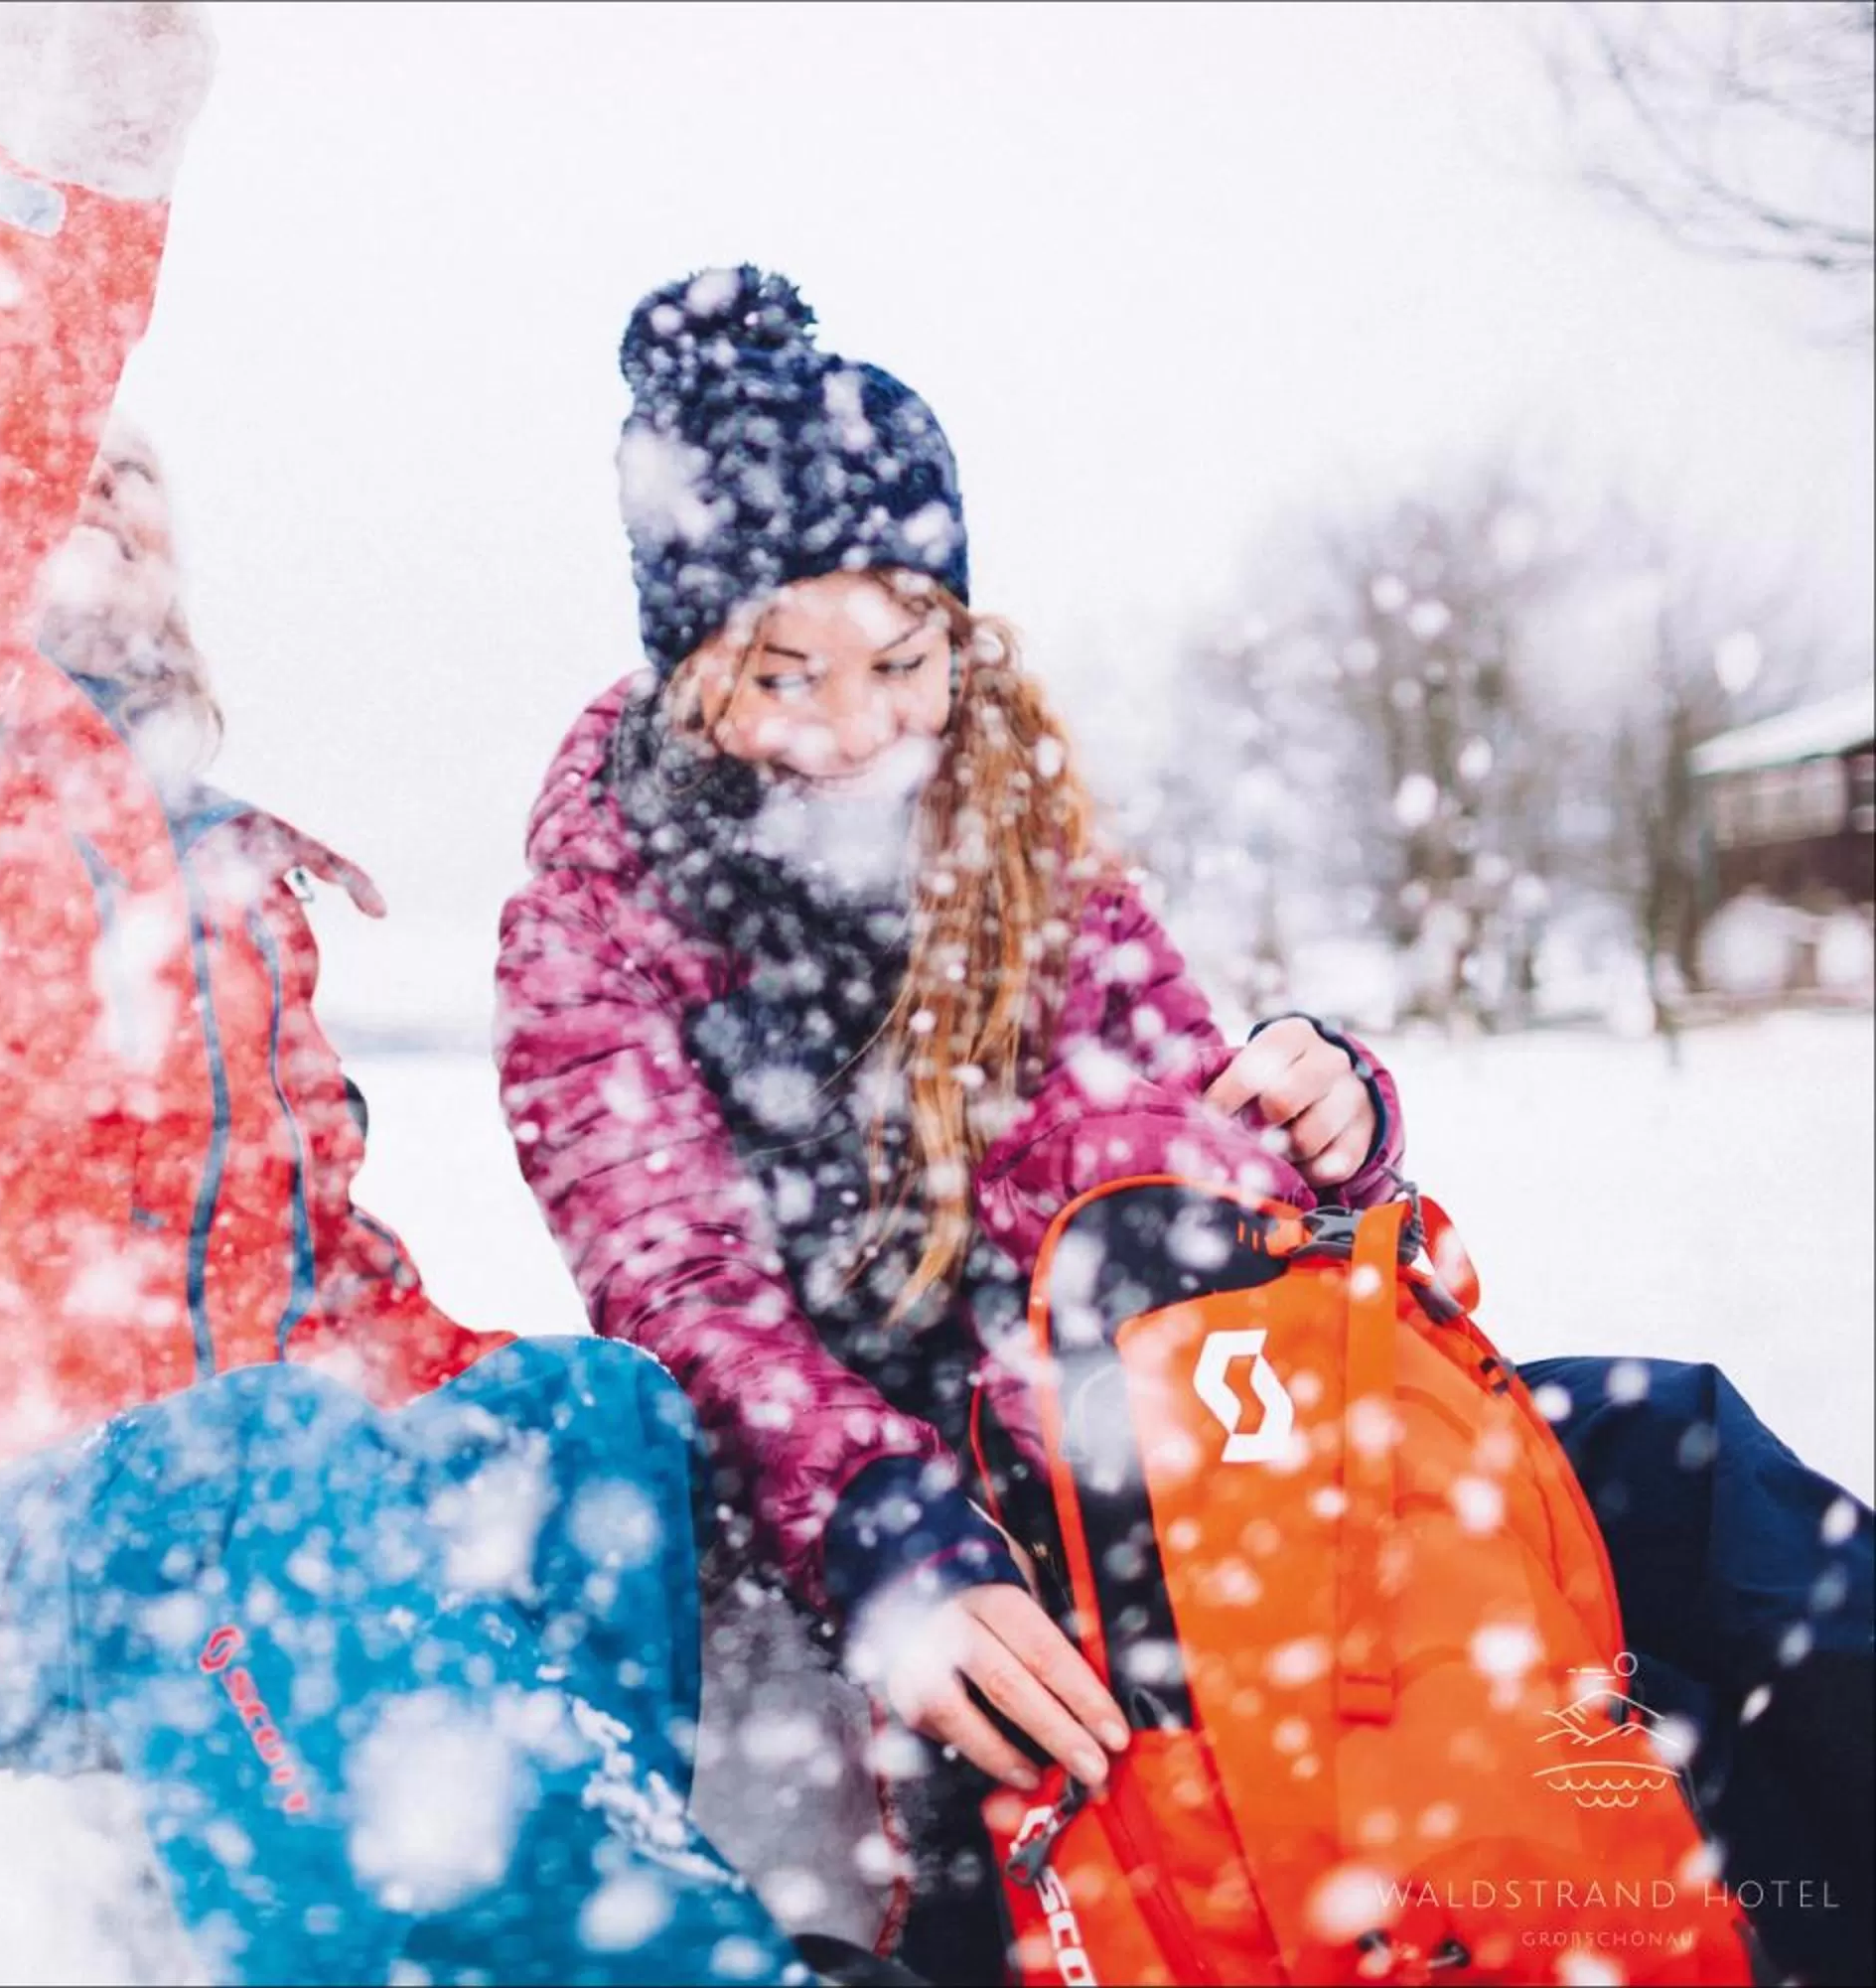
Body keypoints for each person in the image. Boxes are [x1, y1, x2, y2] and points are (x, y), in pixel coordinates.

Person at [493, 265, 1872, 1983]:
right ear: (693, 665)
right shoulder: (594, 916)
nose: (856, 732)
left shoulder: (1018, 837)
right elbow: (681, 1290)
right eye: (787, 673)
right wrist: (877, 1517)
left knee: (1674, 1464)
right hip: (908, 1516)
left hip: (1164, 1421)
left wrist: (1327, 1120)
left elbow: (1176, 1137)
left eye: (903, 661)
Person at [0, 15, 847, 1985]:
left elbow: (323, 1292)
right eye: (66, 477)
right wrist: (86, 129)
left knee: (588, 1417)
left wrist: (567, 1413)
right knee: (260, 1455)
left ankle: (610, 1870)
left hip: (204, 1499)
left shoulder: (224, 878)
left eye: (138, 495)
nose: (99, 495)